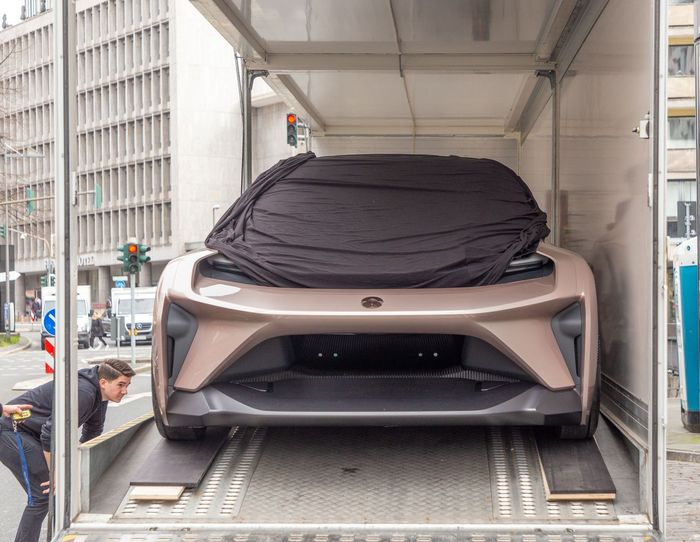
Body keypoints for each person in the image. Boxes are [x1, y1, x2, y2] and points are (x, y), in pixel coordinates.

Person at [0, 359, 135, 542]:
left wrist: (80, 468)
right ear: (103, 382)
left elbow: (92, 432)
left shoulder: (99, 395)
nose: (125, 391)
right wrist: (55, 472)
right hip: (12, 431)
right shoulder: (84, 393)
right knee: (43, 496)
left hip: (33, 434)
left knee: (57, 495)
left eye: (127, 385)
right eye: (121, 385)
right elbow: (49, 433)